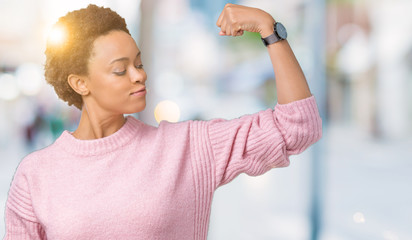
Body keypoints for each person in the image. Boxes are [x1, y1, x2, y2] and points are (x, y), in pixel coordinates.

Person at [3, 3, 322, 240]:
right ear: (80, 83)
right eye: (120, 69)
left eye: (139, 63)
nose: (139, 74)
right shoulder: (36, 175)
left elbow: (297, 127)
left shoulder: (189, 148)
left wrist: (270, 30)